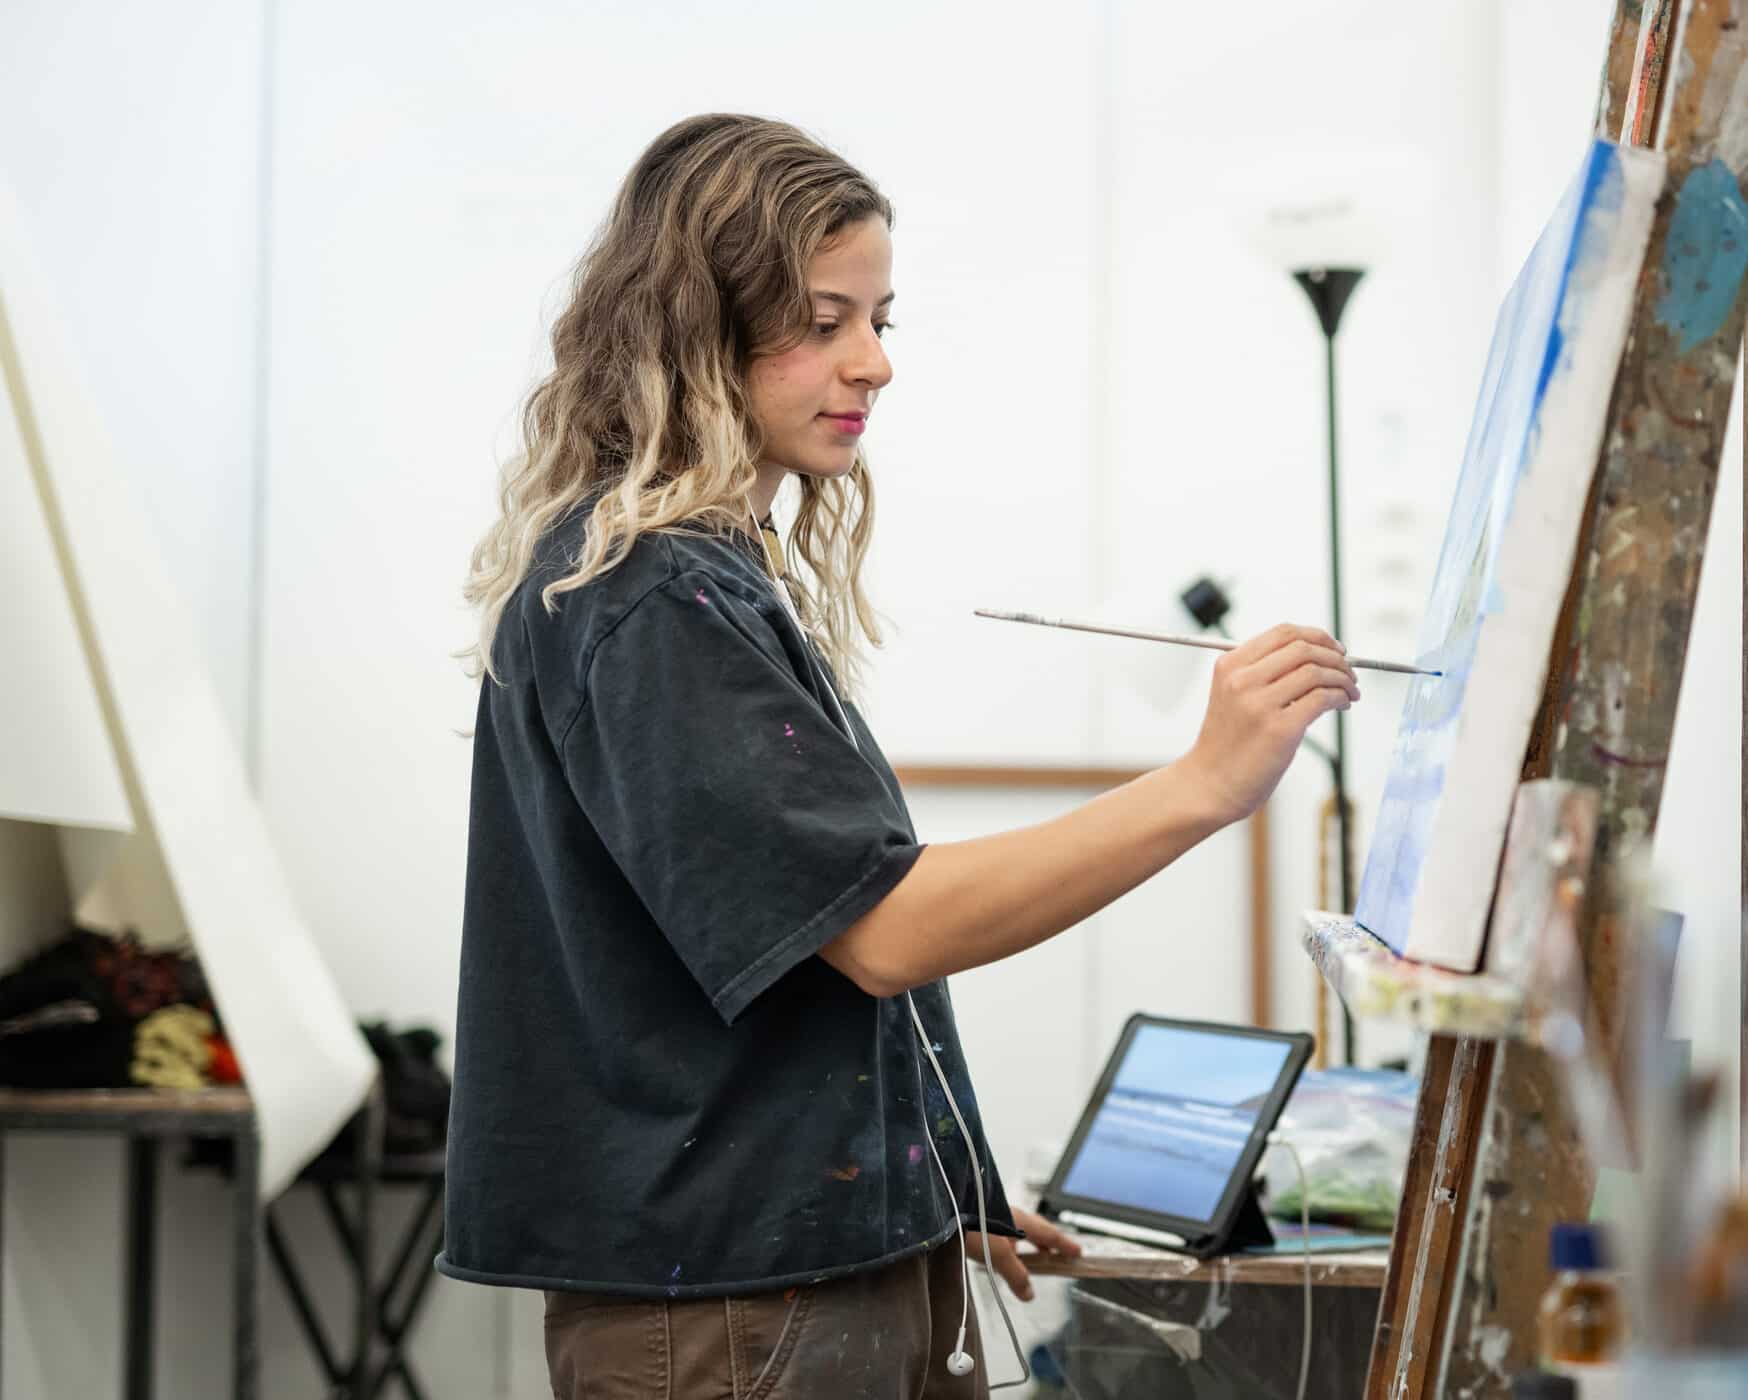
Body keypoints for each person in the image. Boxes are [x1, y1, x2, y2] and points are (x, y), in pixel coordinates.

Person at [437, 112, 1361, 1400]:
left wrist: (940, 1183)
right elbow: (884, 929)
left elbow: (812, 951)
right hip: (728, 1301)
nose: (872, 362)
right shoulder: (650, 594)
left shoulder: (700, 577)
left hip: (806, 1267)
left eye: (880, 318)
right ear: (694, 328)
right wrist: (1205, 785)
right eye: (823, 321)